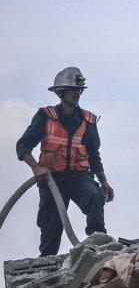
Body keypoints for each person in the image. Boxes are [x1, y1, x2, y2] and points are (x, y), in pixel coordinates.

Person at [16, 67, 114, 256]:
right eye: (73, 90)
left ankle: (98, 249)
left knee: (95, 196)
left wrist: (104, 182)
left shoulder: (88, 121)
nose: (77, 93)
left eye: (79, 90)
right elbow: (23, 145)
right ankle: (46, 265)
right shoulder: (45, 116)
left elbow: (94, 157)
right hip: (52, 180)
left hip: (79, 178)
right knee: (51, 228)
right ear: (61, 92)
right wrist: (36, 167)